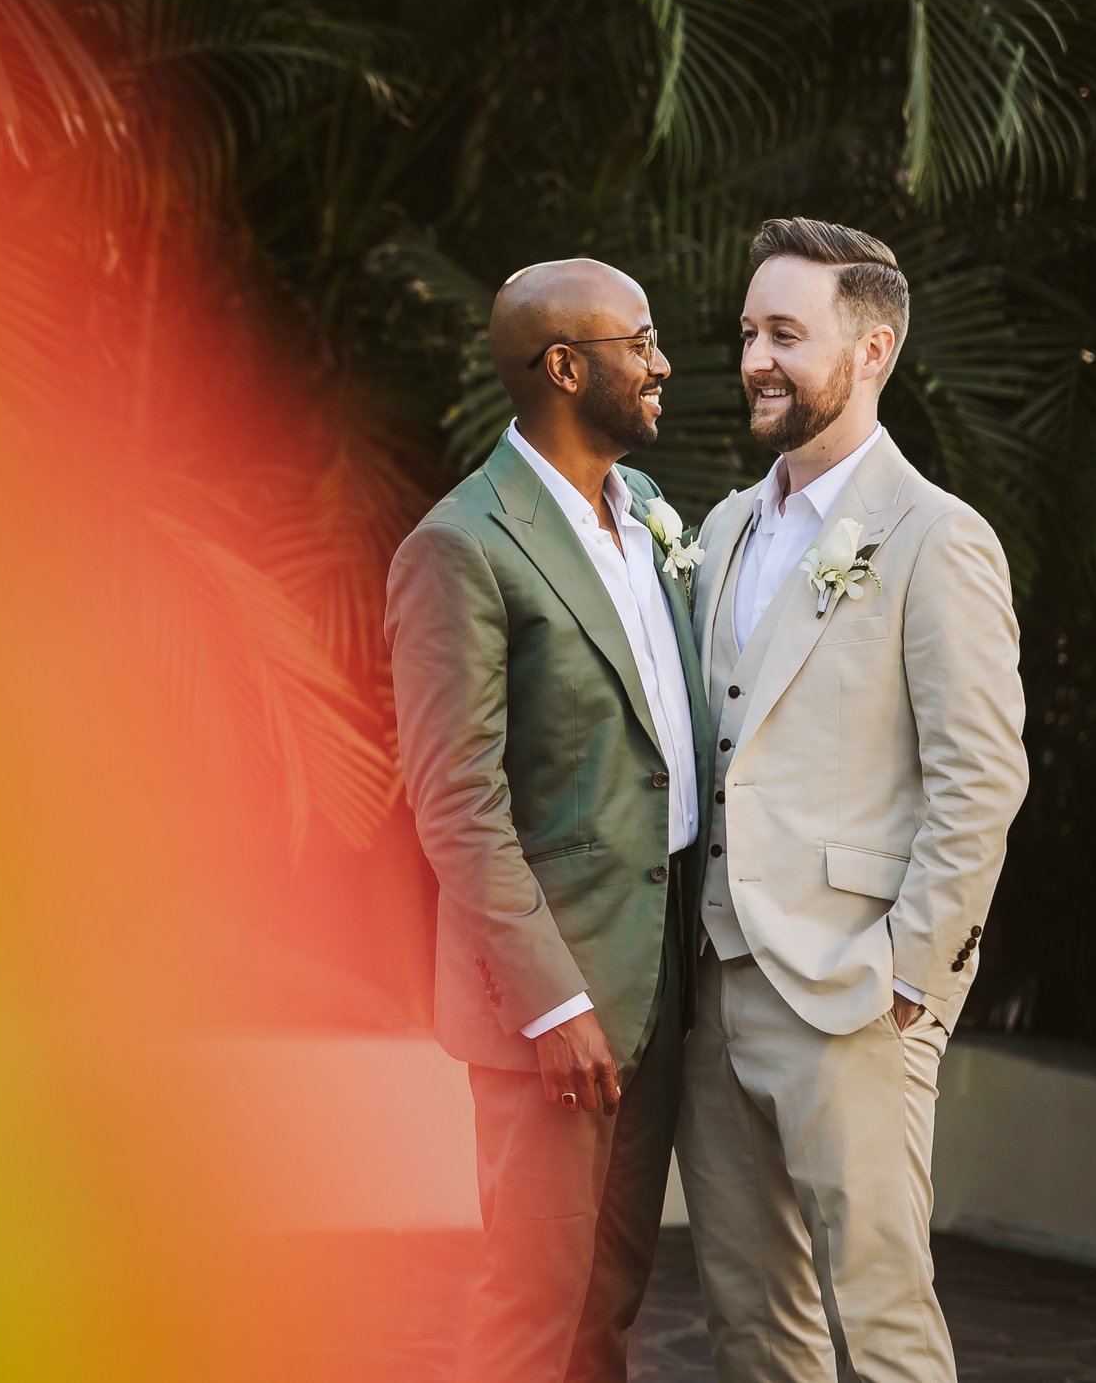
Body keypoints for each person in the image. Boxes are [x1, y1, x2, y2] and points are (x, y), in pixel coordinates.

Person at [677, 219, 1027, 1383]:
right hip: (712, 989)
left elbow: (981, 773)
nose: (754, 358)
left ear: (871, 350)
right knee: (747, 1319)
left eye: (786, 333)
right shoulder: (725, 526)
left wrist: (912, 972)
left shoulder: (937, 537)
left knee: (879, 1319)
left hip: (855, 991)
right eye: (745, 332)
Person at [383, 258, 706, 1383]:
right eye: (642, 342)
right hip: (555, 998)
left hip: (659, 969)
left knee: (607, 1298)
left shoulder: (654, 515)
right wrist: (551, 1000)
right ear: (565, 366)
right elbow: (454, 799)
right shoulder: (460, 544)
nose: (663, 363)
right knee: (531, 1303)